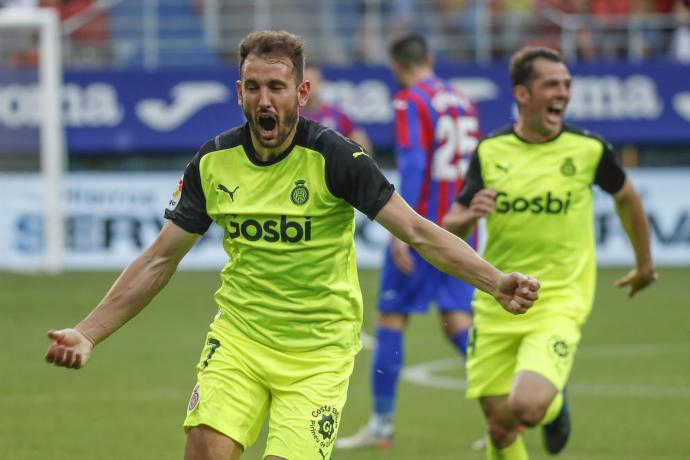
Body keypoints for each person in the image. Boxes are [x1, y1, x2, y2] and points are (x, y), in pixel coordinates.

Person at [44, 30, 540, 460]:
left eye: (277, 87)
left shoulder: (336, 157)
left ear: (300, 92)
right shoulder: (213, 162)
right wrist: (88, 332)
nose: (265, 100)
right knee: (204, 451)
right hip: (239, 340)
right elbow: (158, 259)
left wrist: (495, 281)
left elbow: (415, 230)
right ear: (239, 92)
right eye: (254, 87)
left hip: (318, 354)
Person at [442, 46, 657, 459]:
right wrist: (469, 214)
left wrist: (644, 265)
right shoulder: (491, 151)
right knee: (499, 427)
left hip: (559, 298)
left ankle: (554, 404)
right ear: (523, 95)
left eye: (567, 85)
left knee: (526, 406)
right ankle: (547, 399)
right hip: (498, 299)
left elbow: (627, 198)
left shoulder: (588, 149)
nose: (562, 92)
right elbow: (450, 225)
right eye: (551, 84)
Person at [336, 33, 482, 450]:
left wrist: (406, 228)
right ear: (430, 58)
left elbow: (415, 163)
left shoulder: (409, 101)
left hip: (425, 228)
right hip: (460, 226)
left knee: (390, 320)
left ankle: (381, 424)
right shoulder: (463, 100)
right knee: (457, 322)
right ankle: (506, 403)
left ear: (396, 66)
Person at [301, 64, 374, 154]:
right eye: (303, 82)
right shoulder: (294, 114)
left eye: (311, 81)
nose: (307, 86)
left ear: (321, 83)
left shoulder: (336, 113)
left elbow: (362, 142)